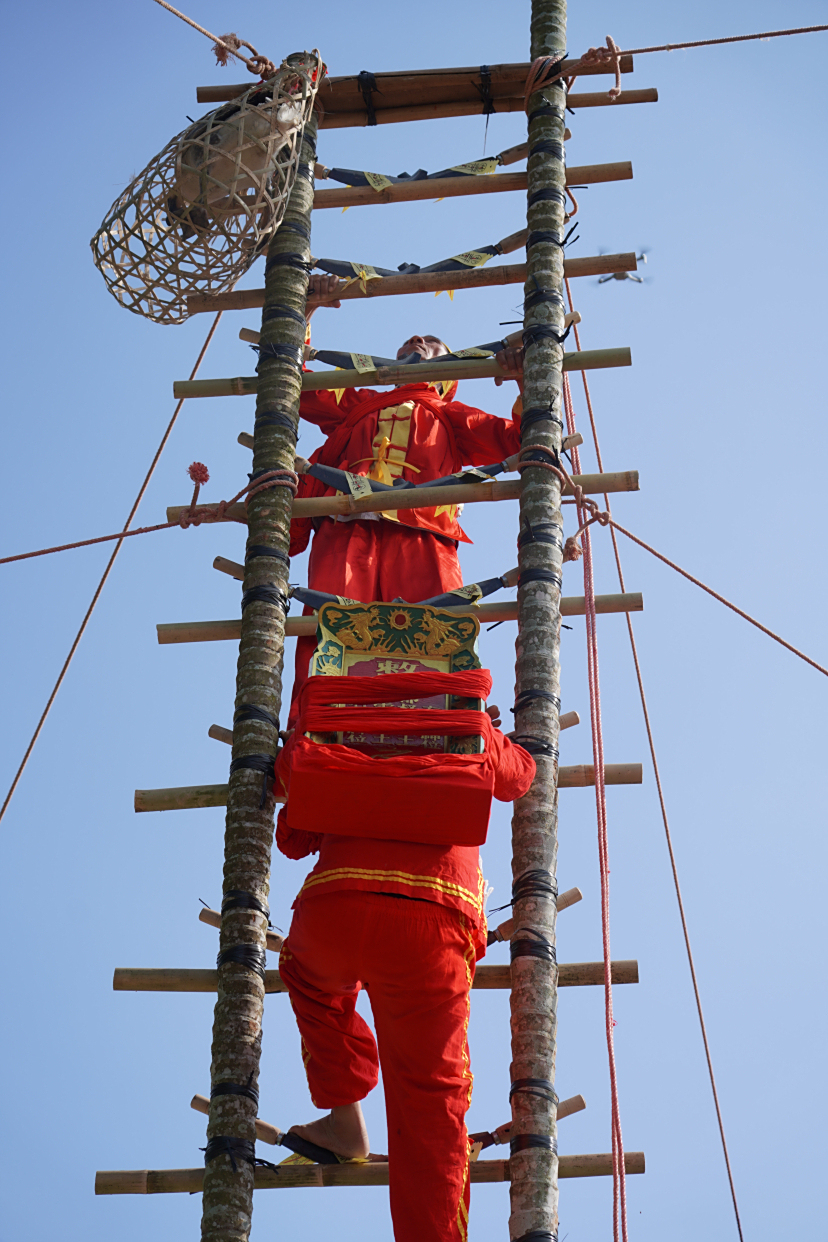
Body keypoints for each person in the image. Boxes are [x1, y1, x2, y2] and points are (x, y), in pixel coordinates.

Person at [274, 678, 535, 1242]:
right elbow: (520, 776)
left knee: (310, 981)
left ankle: (345, 1119)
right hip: (434, 922)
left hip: (335, 908)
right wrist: (487, 733)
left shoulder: (339, 718)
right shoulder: (463, 715)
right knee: (431, 1105)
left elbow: (292, 837)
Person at [287, 274, 524, 722]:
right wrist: (308, 309)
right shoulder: (357, 403)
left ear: (451, 375)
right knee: (332, 622)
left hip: (423, 530)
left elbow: (520, 441)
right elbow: (293, 382)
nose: (418, 340)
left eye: (432, 343)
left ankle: (448, 719)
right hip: (345, 522)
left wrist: (522, 380)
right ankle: (318, 720)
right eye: (411, 341)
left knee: (435, 623)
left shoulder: (452, 415)